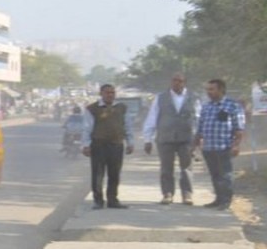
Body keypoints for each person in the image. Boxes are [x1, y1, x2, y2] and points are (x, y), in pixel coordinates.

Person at [142, 73, 199, 205]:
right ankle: (167, 194)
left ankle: (187, 195)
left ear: (184, 83)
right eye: (174, 81)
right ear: (170, 82)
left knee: (186, 168)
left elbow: (198, 118)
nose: (176, 83)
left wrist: (198, 137)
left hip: (186, 138)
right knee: (166, 167)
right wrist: (147, 140)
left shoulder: (193, 98)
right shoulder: (161, 98)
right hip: (165, 138)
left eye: (180, 81)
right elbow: (152, 118)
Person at [194, 79, 246, 210]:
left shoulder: (232, 106)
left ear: (221, 90)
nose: (208, 92)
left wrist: (236, 145)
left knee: (225, 175)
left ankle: (226, 201)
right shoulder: (206, 106)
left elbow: (239, 129)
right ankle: (218, 198)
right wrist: (194, 144)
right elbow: (200, 128)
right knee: (215, 174)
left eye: (211, 89)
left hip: (224, 147)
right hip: (208, 147)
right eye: (207, 89)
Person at [82, 84, 134, 209]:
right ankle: (98, 201)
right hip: (98, 145)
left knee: (114, 173)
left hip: (116, 145)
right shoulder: (92, 109)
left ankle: (113, 200)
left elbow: (127, 126)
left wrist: (130, 142)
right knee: (98, 174)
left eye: (112, 92)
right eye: (107, 92)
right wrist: (85, 145)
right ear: (101, 94)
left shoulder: (122, 108)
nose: (110, 95)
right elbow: (87, 128)